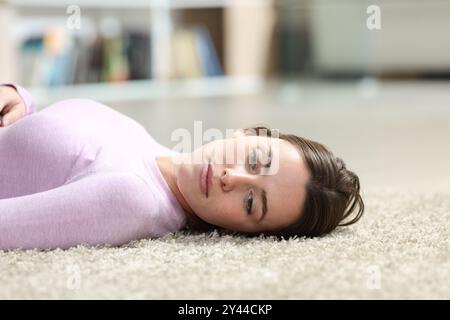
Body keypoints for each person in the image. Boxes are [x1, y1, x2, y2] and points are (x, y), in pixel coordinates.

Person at [0, 84, 364, 250]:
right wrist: (20, 98)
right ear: (247, 132)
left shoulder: (133, 198)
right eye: (255, 159)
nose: (230, 178)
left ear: (241, 232)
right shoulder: (150, 145)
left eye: (251, 202)